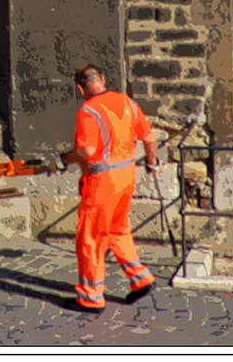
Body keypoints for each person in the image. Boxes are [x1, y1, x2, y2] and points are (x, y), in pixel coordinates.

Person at [56, 64, 159, 314]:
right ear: (102, 78)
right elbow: (150, 138)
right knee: (118, 229)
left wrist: (64, 159)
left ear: (80, 88)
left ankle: (91, 296)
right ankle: (141, 278)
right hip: (127, 176)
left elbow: (87, 151)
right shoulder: (127, 102)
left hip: (102, 182)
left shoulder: (88, 111)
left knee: (91, 237)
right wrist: (151, 163)